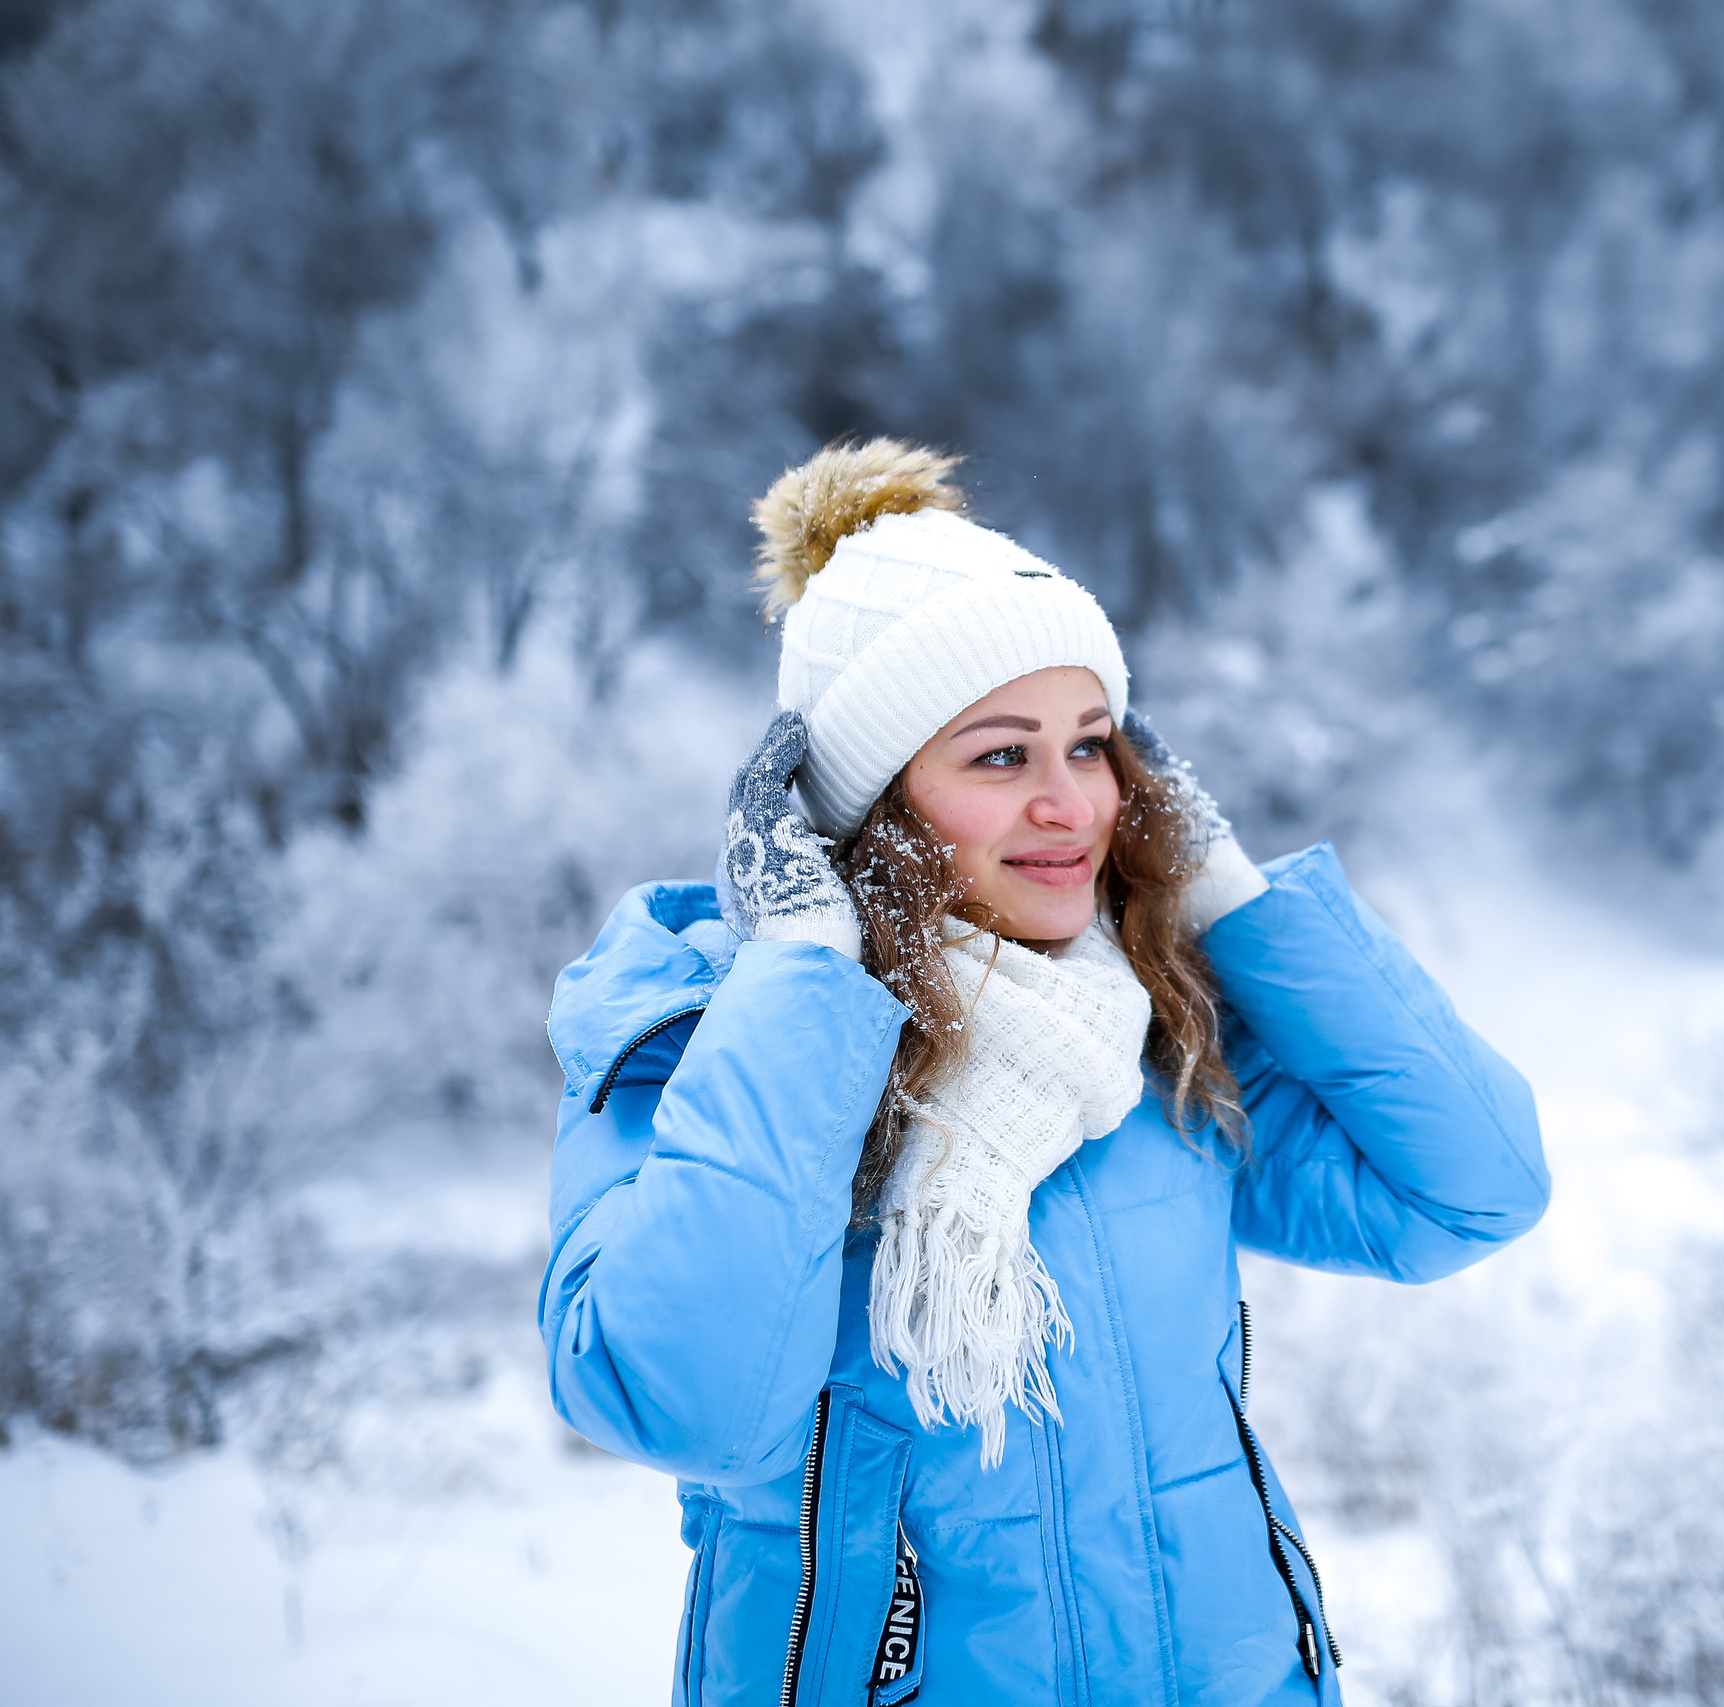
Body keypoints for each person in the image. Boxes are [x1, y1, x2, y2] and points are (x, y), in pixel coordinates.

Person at [539, 440, 1549, 1706]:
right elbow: (683, 1402)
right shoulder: (707, 1044)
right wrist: (802, 975)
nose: (1075, 804)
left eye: (1093, 745)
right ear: (873, 804)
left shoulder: (1147, 1034)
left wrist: (1224, 888)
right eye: (1002, 756)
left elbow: (1474, 1190)